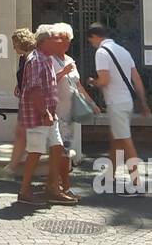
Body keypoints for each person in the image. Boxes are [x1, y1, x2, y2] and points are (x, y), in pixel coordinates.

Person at [17, 25, 76, 205]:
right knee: (35, 152)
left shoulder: (46, 59)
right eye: (54, 40)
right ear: (45, 42)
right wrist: (44, 112)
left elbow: (48, 84)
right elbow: (34, 89)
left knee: (57, 147)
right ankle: (24, 192)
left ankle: (53, 188)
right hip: (39, 115)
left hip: (50, 114)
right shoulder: (36, 59)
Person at [87, 23, 150, 187]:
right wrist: (143, 103)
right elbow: (136, 79)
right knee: (116, 138)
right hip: (126, 101)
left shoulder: (101, 52)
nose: (92, 44)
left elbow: (104, 80)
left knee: (124, 140)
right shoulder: (123, 51)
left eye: (90, 41)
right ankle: (110, 175)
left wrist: (93, 82)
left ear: (94, 37)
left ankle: (137, 182)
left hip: (115, 102)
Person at [49, 23, 100, 193]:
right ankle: (61, 186)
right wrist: (63, 71)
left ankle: (59, 185)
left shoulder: (70, 60)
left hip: (70, 115)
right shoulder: (49, 60)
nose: (65, 43)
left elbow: (78, 85)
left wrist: (92, 103)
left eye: (67, 40)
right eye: (60, 40)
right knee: (60, 151)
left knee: (65, 151)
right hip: (56, 114)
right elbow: (46, 83)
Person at [3, 28, 36, 177]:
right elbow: (24, 76)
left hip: (31, 103)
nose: (13, 47)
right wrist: (19, 85)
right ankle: (13, 165)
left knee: (22, 133)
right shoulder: (23, 58)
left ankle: (13, 167)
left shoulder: (34, 58)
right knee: (21, 133)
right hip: (25, 100)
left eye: (15, 44)